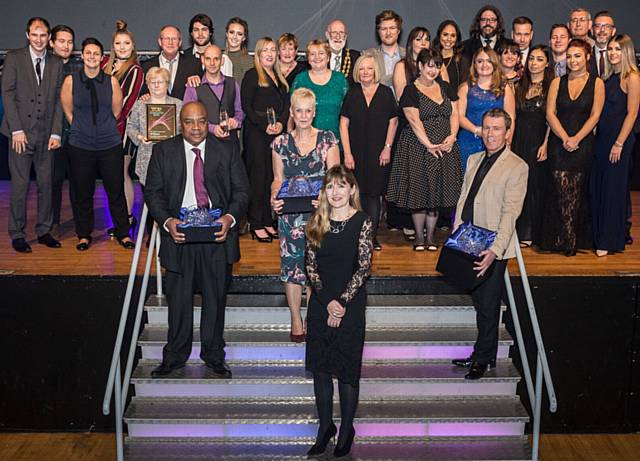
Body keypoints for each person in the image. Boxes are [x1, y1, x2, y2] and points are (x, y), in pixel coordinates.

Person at [144, 101, 249, 378]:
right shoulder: (163, 151)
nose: (196, 127)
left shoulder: (226, 150)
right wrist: (167, 222)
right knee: (178, 301)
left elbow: (242, 192)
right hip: (179, 235)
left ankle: (214, 355)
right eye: (189, 121)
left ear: (207, 122)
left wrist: (228, 219)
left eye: (201, 121)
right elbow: (152, 194)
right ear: (181, 123)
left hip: (217, 235)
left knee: (215, 300)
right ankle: (175, 356)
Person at [451, 108, 528, 380]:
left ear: (508, 133)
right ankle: (482, 352)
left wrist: (495, 251)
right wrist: (457, 229)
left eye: (497, 129)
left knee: (488, 305)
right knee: (478, 300)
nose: (491, 134)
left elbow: (511, 213)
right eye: (487, 128)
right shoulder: (473, 158)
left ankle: (483, 359)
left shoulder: (518, 166)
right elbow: (464, 197)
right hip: (469, 239)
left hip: (492, 247)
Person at [304, 165, 373, 458]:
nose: (335, 192)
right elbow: (310, 267)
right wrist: (328, 301)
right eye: (330, 187)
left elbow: (363, 267)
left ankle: (346, 429)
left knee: (346, 372)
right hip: (321, 303)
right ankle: (325, 428)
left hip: (351, 303)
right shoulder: (316, 222)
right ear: (324, 192)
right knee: (321, 370)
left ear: (352, 190)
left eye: (341, 186)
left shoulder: (363, 222)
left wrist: (342, 302)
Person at [270, 88, 340, 342]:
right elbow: (277, 180)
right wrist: (273, 198)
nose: (303, 115)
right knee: (291, 268)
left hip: (319, 215)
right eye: (298, 110)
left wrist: (325, 198)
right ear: (291, 112)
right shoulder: (279, 143)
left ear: (314, 112)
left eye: (307, 110)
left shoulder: (328, 139)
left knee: (315, 268)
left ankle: (312, 315)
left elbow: (336, 179)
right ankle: (295, 318)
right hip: (289, 216)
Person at [60, 37, 134, 251]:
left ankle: (123, 233)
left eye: (96, 54)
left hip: (109, 144)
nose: (92, 57)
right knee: (82, 192)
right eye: (88, 53)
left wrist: (101, 128)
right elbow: (68, 111)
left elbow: (117, 111)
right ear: (82, 55)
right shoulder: (70, 81)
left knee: (116, 190)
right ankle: (84, 234)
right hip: (80, 145)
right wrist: (83, 129)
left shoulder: (111, 81)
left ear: (102, 58)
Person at [387, 48, 463, 251]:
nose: (433, 70)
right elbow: (414, 120)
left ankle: (431, 237)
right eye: (430, 65)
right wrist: (428, 144)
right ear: (420, 66)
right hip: (418, 147)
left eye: (437, 66)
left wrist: (452, 136)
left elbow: (455, 113)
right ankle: (419, 237)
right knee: (419, 192)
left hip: (444, 147)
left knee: (436, 194)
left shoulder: (446, 87)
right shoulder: (411, 90)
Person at [536, 38, 605, 256]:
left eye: (577, 56)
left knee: (575, 192)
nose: (573, 60)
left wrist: (576, 139)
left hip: (583, 145)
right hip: (559, 143)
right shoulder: (557, 82)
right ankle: (561, 238)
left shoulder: (597, 83)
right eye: (569, 56)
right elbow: (550, 114)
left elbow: (595, 116)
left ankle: (570, 238)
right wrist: (565, 137)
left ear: (587, 57)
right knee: (559, 190)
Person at [1, 17, 64, 253]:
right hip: (20, 135)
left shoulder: (57, 63)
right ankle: (17, 233)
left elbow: (59, 101)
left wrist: (57, 132)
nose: (39, 39)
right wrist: (16, 130)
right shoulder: (14, 58)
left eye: (43, 35)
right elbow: (7, 94)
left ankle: (44, 231)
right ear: (28, 35)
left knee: (46, 185)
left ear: (49, 38)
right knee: (19, 186)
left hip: (46, 134)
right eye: (35, 34)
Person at [340, 52, 398, 250]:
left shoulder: (385, 93)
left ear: (376, 71)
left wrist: (387, 148)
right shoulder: (352, 93)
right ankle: (355, 237)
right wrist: (347, 153)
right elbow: (343, 124)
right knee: (355, 196)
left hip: (378, 154)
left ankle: (371, 237)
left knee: (374, 197)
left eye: (370, 68)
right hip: (354, 155)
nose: (366, 72)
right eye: (362, 68)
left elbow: (393, 121)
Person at [591, 34, 639, 256]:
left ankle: (610, 241)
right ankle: (601, 235)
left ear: (626, 52)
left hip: (620, 140)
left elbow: (632, 114)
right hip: (602, 140)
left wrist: (619, 143)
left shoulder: (632, 76)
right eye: (610, 49)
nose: (612, 53)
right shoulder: (608, 76)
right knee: (601, 187)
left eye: (617, 49)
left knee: (614, 190)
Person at [241, 37, 289, 242]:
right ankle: (256, 223)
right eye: (265, 50)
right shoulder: (252, 75)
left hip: (276, 135)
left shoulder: (279, 76)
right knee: (257, 180)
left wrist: (281, 123)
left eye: (272, 50)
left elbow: (286, 107)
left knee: (272, 178)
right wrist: (265, 125)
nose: (269, 53)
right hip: (257, 135)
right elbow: (247, 107)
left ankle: (268, 221)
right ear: (258, 54)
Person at [101, 20, 143, 235]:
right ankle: (119, 218)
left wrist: (108, 120)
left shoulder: (135, 70)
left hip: (122, 130)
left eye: (126, 43)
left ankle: (126, 218)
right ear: (113, 45)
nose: (122, 47)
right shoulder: (104, 65)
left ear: (133, 45)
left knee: (121, 173)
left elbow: (127, 102)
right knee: (110, 176)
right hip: (101, 130)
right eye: (118, 43)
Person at [512, 44, 555, 246]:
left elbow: (551, 119)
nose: (534, 63)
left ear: (547, 63)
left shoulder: (552, 86)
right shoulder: (519, 85)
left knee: (536, 186)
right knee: (519, 186)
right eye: (531, 59)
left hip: (539, 141)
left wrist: (546, 143)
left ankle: (531, 232)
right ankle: (518, 230)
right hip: (519, 140)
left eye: (539, 59)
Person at [457, 47, 515, 170]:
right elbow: (459, 116)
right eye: (480, 61)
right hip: (469, 140)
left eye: (489, 61)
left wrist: (508, 142)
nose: (484, 65)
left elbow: (511, 119)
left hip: (496, 143)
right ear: (474, 64)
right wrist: (477, 131)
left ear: (494, 64)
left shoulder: (505, 88)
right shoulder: (465, 88)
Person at [49, 24, 82, 234]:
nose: (66, 45)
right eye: (61, 41)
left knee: (79, 182)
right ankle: (53, 223)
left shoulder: (79, 68)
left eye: (70, 42)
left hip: (77, 134)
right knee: (53, 181)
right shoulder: (44, 68)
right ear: (52, 43)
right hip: (51, 134)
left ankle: (81, 224)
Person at [126, 67, 183, 185]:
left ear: (167, 84)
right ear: (148, 85)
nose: (156, 85)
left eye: (160, 82)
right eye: (153, 82)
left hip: (171, 155)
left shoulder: (178, 104)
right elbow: (131, 127)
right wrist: (140, 137)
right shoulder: (140, 104)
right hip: (147, 155)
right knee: (149, 196)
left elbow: (184, 129)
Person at [183, 44, 244, 147]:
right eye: (208, 59)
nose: (212, 63)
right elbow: (187, 118)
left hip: (231, 144)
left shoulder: (233, 83)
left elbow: (240, 111)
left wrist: (236, 121)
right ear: (202, 60)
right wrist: (211, 128)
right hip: (204, 145)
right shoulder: (193, 87)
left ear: (222, 61)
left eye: (216, 59)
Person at [290, 40, 349, 142]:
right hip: (305, 143)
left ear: (328, 57)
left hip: (336, 141)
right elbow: (291, 113)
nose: (317, 57)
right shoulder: (300, 79)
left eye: (321, 53)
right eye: (312, 54)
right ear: (308, 59)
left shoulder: (340, 79)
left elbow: (348, 114)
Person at [141, 25, 201, 100]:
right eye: (166, 38)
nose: (170, 42)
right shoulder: (146, 66)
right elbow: (142, 92)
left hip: (184, 110)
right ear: (160, 42)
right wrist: (144, 96)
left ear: (180, 42)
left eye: (174, 39)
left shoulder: (194, 64)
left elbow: (201, 94)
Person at [364, 9, 405, 89]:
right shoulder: (368, 55)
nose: (388, 33)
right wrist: (398, 78)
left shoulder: (408, 56)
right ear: (378, 31)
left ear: (398, 31)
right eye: (384, 29)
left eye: (392, 28)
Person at [392, 26, 431, 100]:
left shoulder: (436, 65)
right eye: (418, 39)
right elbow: (401, 96)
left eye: (427, 39)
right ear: (411, 43)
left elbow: (446, 91)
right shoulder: (401, 66)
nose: (423, 43)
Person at [432, 20, 469, 92]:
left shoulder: (462, 61)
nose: (449, 39)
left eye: (453, 35)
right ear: (439, 35)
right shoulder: (431, 58)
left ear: (457, 38)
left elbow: (464, 89)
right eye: (445, 34)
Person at [325, 20, 360, 86]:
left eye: (341, 33)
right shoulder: (319, 58)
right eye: (334, 32)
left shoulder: (355, 57)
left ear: (346, 36)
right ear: (327, 35)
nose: (338, 37)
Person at [224, 17, 253, 83]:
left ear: (244, 38)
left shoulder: (249, 61)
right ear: (226, 34)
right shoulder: (218, 58)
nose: (235, 37)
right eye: (232, 32)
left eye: (239, 34)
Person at [590, 11, 617, 77]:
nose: (602, 30)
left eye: (607, 26)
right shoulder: (585, 56)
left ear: (613, 31)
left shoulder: (622, 56)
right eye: (598, 26)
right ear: (592, 31)